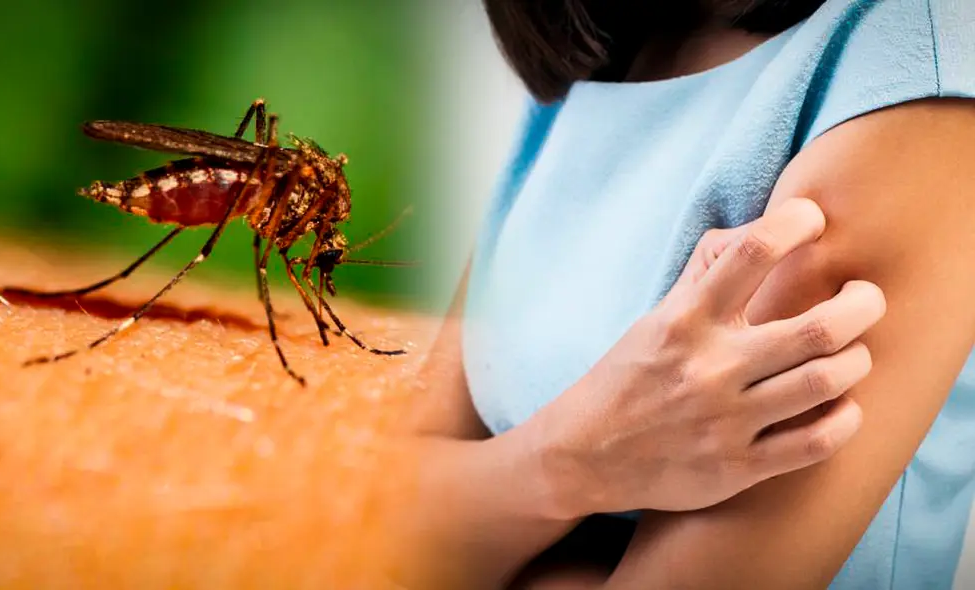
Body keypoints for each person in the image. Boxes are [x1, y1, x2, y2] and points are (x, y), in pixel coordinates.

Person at [385, 0, 975, 588]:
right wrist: (573, 459)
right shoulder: (606, 50)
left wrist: (490, 510)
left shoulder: (909, 74)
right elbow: (376, 513)